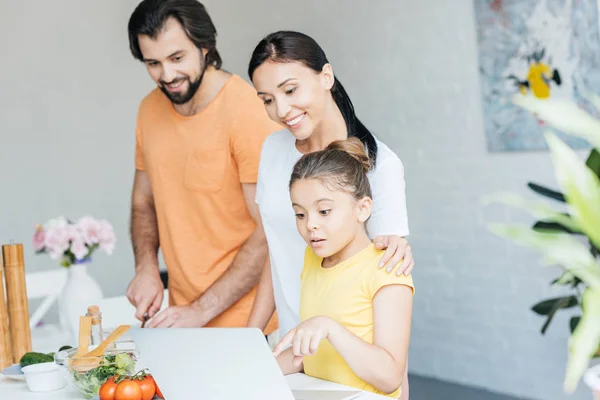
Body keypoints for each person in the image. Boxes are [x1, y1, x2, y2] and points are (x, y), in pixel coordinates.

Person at [124, 0, 279, 334]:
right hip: (184, 323)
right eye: (153, 63)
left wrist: (200, 310)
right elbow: (142, 203)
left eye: (177, 58)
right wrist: (147, 267)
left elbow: (269, 231)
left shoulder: (249, 113)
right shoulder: (149, 111)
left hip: (253, 327)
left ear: (205, 46)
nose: (167, 75)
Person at [273, 138, 414, 398]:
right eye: (300, 214)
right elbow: (315, 355)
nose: (310, 225)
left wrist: (330, 328)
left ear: (362, 209)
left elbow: (390, 377)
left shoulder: (387, 269)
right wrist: (257, 368)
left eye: (324, 211)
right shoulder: (312, 259)